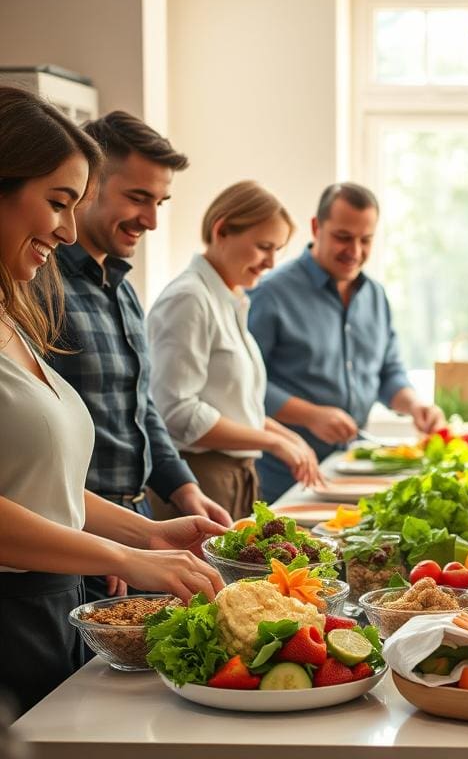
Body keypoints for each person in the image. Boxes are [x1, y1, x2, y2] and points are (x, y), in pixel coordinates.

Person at [0, 86, 225, 718]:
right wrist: (124, 554)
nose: (68, 229)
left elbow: (43, 486)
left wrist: (147, 533)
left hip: (51, 604)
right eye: (57, 202)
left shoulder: (14, 316)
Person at [45, 111, 232, 602]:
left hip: (134, 523)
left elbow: (141, 408)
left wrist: (185, 489)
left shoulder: (123, 290)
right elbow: (44, 437)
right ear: (88, 187)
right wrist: (105, 544)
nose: (151, 220)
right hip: (76, 537)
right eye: (137, 198)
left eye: (159, 202)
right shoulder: (40, 285)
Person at [248, 182, 446, 502]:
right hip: (283, 478)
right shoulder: (270, 293)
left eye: (365, 240)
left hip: (353, 473)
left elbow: (388, 372)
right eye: (343, 237)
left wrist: (415, 405)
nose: (354, 251)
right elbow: (246, 385)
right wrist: (311, 415)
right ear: (317, 227)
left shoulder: (375, 296)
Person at [147, 182, 322, 520]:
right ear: (222, 230)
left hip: (232, 476)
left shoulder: (229, 299)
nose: (271, 262)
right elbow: (177, 411)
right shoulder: (189, 299)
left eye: (277, 250)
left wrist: (287, 437)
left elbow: (232, 406)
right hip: (200, 478)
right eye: (264, 247)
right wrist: (272, 443)